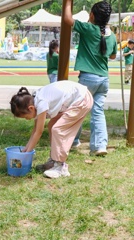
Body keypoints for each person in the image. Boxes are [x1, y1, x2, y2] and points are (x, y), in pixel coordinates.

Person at [64, 0, 117, 156]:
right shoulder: (112, 36)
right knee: (98, 112)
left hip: (88, 79)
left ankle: (73, 141)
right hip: (103, 79)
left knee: (78, 110)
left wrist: (67, 2)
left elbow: (68, 19)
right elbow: (113, 56)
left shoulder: (88, 29)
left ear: (92, 15)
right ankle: (100, 146)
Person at [9, 81, 93, 179]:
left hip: (82, 99)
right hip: (76, 98)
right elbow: (35, 130)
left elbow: (39, 132)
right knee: (52, 125)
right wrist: (25, 150)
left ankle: (60, 166)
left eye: (25, 117)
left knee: (58, 129)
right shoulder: (35, 101)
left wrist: (27, 154)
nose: (27, 119)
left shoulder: (41, 103)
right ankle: (53, 161)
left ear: (31, 108)